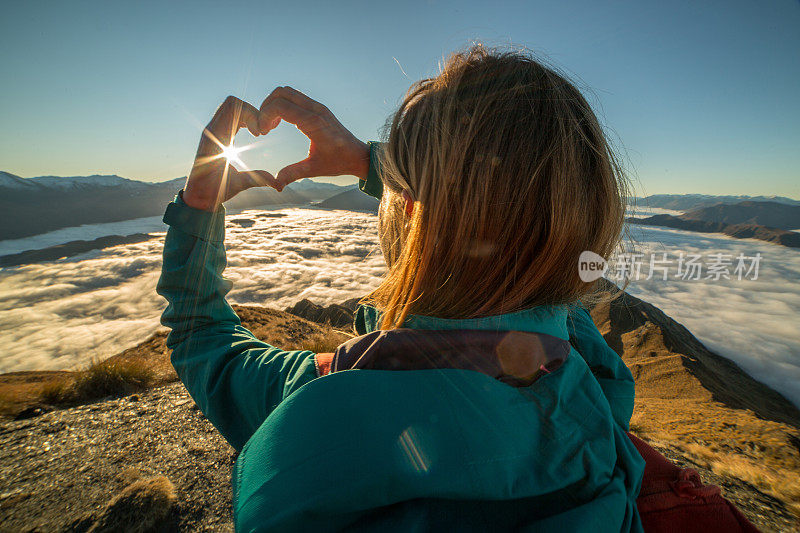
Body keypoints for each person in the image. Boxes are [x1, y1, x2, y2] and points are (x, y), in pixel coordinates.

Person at [157, 46, 645, 531]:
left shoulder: (319, 405)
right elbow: (547, 273)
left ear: (411, 214)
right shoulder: (594, 389)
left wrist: (198, 205)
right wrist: (386, 170)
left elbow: (200, 333)